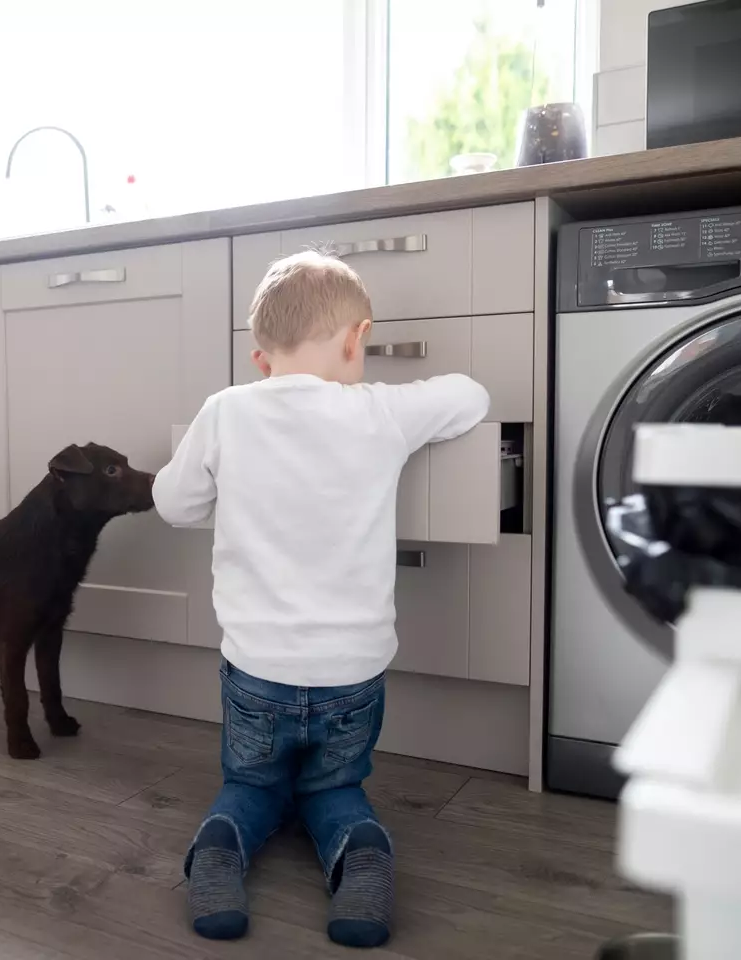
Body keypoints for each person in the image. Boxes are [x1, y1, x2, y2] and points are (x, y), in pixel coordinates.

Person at [153, 250, 489, 948]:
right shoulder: (381, 411)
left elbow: (174, 504)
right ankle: (359, 854)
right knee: (333, 791)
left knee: (250, 786)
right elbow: (471, 396)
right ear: (354, 337)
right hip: (351, 679)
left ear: (260, 358)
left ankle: (220, 850)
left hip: (256, 675)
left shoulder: (225, 411)